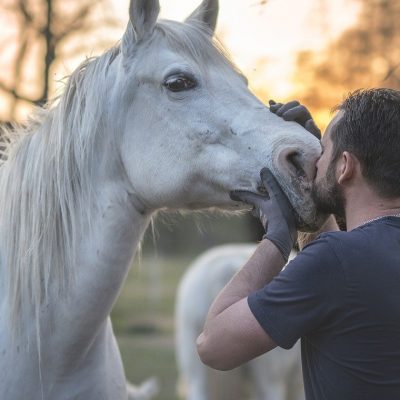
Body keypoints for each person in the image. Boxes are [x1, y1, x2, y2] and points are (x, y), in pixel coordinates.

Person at [196, 88, 400, 400]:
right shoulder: (345, 262)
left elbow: (214, 345)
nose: (316, 161)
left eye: (324, 149)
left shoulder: (336, 262)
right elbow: (349, 270)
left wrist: (276, 240)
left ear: (345, 166)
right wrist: (314, 193)